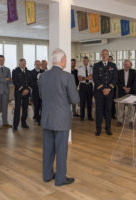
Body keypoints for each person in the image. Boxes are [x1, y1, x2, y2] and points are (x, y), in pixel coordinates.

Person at [39, 48, 79, 186]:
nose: (66, 61)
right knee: (61, 150)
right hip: (61, 119)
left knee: (48, 149)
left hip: (47, 118)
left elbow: (41, 96)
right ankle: (60, 179)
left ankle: (47, 175)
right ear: (62, 60)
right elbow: (75, 99)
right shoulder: (68, 77)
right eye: (66, 59)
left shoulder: (43, 76)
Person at [93, 49, 118, 136]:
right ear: (101, 55)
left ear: (108, 55)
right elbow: (95, 79)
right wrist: (103, 89)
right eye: (103, 54)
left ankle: (108, 128)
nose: (104, 55)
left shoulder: (113, 65)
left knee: (108, 111)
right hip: (99, 92)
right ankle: (98, 129)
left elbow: (115, 78)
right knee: (99, 111)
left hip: (109, 92)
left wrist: (109, 89)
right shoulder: (96, 65)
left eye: (106, 54)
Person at [0, 55, 12, 129]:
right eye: (0, 60)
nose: (1, 61)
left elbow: (10, 79)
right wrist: (5, 79)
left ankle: (5, 122)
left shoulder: (8, 69)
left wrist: (1, 78)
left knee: (5, 108)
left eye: (3, 60)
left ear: (4, 60)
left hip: (6, 91)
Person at [12, 58, 32, 131]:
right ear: (19, 64)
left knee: (25, 109)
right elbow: (15, 82)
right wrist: (23, 90)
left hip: (26, 94)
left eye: (25, 63)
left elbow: (31, 82)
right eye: (22, 63)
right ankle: (15, 125)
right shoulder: (15, 71)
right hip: (18, 93)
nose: (24, 64)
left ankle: (24, 123)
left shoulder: (28, 72)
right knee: (17, 109)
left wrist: (28, 90)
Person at [116, 60, 136, 126]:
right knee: (120, 107)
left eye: (128, 64)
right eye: (125, 64)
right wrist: (123, 87)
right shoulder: (119, 72)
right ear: (123, 65)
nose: (126, 65)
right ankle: (119, 121)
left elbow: (135, 81)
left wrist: (129, 88)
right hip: (122, 92)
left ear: (130, 65)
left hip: (131, 92)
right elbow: (117, 82)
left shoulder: (134, 72)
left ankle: (131, 121)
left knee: (131, 108)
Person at [78, 56, 93, 121]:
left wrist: (83, 77)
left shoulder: (91, 68)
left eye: (86, 61)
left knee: (89, 102)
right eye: (84, 61)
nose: (85, 62)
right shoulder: (80, 69)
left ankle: (89, 116)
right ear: (83, 61)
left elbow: (91, 78)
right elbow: (79, 78)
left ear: (88, 61)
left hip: (89, 86)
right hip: (83, 86)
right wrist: (87, 77)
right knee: (82, 102)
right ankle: (82, 116)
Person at [31, 60, 44, 125]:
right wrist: (38, 83)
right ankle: (37, 118)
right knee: (36, 105)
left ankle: (42, 118)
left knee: (42, 106)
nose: (38, 65)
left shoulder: (43, 72)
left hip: (43, 92)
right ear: (34, 65)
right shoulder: (31, 72)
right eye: (37, 64)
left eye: (39, 64)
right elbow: (31, 82)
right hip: (35, 92)